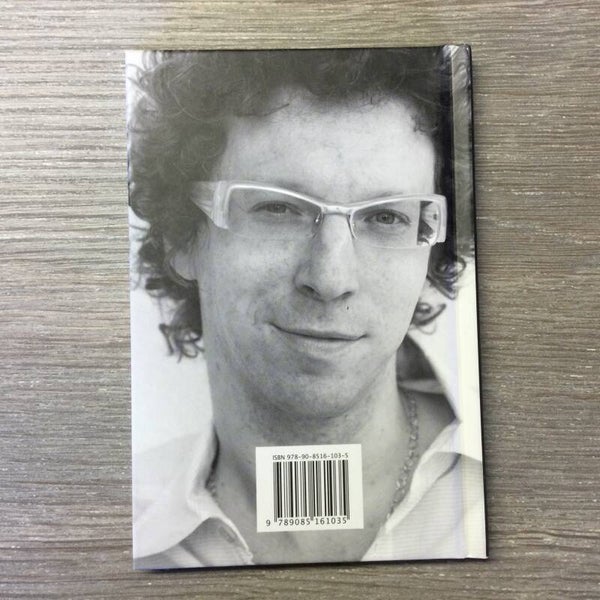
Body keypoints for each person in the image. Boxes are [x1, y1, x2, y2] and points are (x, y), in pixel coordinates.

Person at [127, 48, 486, 568]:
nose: (331, 279)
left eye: (386, 217)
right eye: (278, 208)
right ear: (182, 236)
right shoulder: (117, 533)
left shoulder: (525, 493)